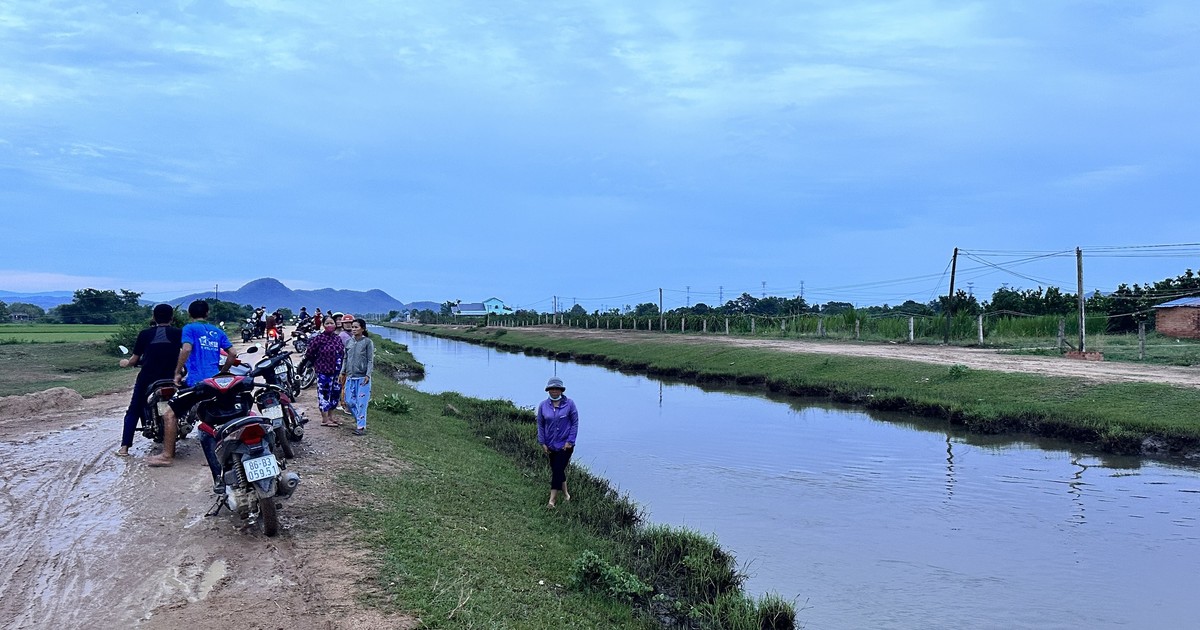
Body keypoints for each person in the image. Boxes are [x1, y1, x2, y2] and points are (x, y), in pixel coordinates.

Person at [145, 300, 238, 478]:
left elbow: (186, 348)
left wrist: (177, 372)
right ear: (207, 314)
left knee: (169, 414)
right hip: (214, 382)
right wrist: (222, 372)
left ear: (189, 314)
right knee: (212, 414)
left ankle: (167, 456)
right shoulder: (217, 331)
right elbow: (232, 353)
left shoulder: (190, 328)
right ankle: (217, 453)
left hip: (197, 382)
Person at [116, 304, 182, 457]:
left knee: (134, 409)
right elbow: (184, 352)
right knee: (182, 404)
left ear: (153, 317)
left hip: (148, 378)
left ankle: (124, 448)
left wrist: (125, 363)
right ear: (172, 318)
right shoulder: (179, 333)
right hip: (172, 378)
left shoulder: (144, 334)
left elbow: (134, 360)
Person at [536, 376, 578, 508]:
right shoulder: (543, 405)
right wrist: (542, 442)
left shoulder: (570, 404)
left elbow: (575, 423)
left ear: (561, 390)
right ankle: (566, 494)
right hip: (550, 445)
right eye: (552, 389)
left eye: (557, 389)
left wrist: (570, 441)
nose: (554, 391)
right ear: (548, 390)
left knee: (557, 470)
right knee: (558, 470)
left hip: (565, 446)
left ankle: (552, 500)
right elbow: (540, 425)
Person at [305, 316, 346, 427]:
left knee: (335, 394)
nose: (329, 325)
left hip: (337, 372)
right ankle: (325, 419)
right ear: (323, 325)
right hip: (323, 371)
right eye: (327, 323)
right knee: (324, 394)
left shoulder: (337, 338)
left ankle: (331, 417)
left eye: (331, 323)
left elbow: (342, 353)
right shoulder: (318, 339)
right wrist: (317, 363)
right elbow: (309, 353)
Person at [340, 318, 375, 436]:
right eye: (353, 327)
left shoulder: (367, 342)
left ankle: (361, 427)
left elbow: (370, 360)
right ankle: (360, 421)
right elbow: (345, 358)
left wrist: (368, 374)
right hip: (350, 377)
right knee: (349, 401)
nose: (354, 329)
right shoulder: (349, 342)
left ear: (363, 329)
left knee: (362, 403)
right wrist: (342, 372)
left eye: (356, 327)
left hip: (362, 378)